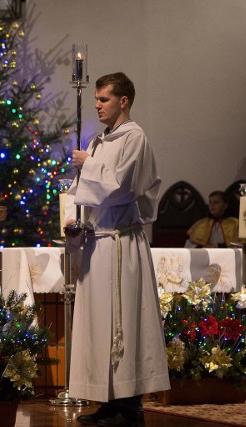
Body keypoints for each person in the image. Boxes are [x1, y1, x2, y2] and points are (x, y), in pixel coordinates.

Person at [64, 72, 170, 426]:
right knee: (100, 326)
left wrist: (87, 165)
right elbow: (87, 193)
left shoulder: (134, 138)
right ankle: (107, 402)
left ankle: (129, 408)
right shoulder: (99, 140)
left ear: (123, 101)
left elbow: (121, 188)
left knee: (124, 322)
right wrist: (75, 219)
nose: (97, 105)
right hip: (99, 242)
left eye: (104, 99)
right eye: (95, 99)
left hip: (122, 243)